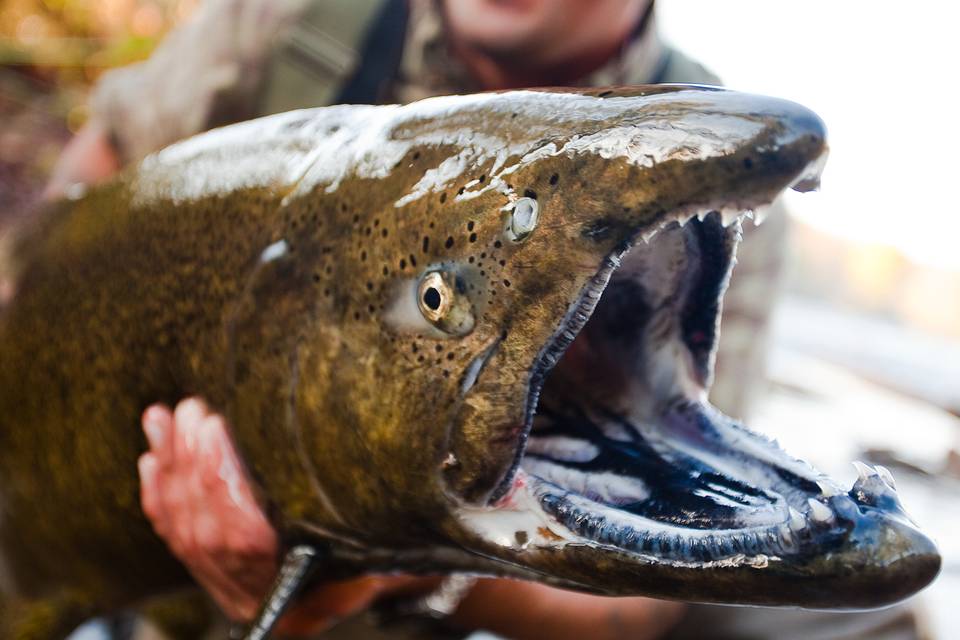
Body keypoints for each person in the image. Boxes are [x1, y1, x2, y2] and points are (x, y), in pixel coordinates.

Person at [45, 1, 904, 638]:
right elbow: (79, 192)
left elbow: (633, 615)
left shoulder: (721, 196)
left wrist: (392, 573)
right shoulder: (296, 18)